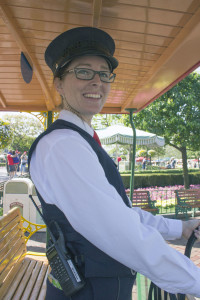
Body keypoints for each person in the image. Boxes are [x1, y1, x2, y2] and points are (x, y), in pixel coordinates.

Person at [29, 27, 200, 300]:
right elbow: (121, 231)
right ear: (59, 83)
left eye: (104, 73)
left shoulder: (80, 140)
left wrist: (180, 228)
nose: (97, 81)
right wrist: (194, 280)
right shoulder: (63, 145)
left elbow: (121, 212)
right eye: (83, 71)